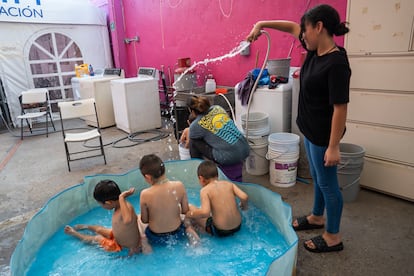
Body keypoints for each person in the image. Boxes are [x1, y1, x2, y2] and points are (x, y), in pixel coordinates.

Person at [247, 4, 350, 253]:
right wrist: (261, 23)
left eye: (306, 30)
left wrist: (334, 146)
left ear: (319, 27)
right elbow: (292, 27)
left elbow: (340, 108)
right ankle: (317, 217)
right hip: (310, 130)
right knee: (318, 179)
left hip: (324, 136)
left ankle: (333, 236)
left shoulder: (336, 63)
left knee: (328, 185)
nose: (301, 35)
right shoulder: (315, 50)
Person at [64, 180, 151, 255]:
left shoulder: (125, 208)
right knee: (101, 229)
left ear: (108, 203)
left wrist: (121, 197)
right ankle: (87, 227)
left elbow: (128, 220)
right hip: (118, 236)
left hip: (119, 246)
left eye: (101, 204)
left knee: (97, 238)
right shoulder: (122, 205)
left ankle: (74, 233)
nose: (101, 206)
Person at [139, 154, 200, 246]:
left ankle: (145, 245)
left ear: (147, 177)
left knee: (138, 221)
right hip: (178, 233)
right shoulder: (179, 185)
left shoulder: (145, 194)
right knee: (187, 217)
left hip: (156, 237)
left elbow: (145, 220)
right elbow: (185, 210)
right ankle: (190, 232)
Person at [187, 95, 249, 180]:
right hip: (244, 147)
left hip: (229, 156)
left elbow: (189, 143)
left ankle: (198, 172)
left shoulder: (195, 125)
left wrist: (189, 130)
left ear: (192, 111)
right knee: (213, 135)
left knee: (194, 142)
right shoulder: (218, 108)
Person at [186, 160, 248, 237]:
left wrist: (189, 214)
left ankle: (193, 232)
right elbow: (244, 196)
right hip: (238, 226)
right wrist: (243, 206)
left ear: (201, 178)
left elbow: (205, 212)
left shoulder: (205, 190)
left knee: (190, 208)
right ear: (217, 175)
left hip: (220, 231)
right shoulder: (229, 184)